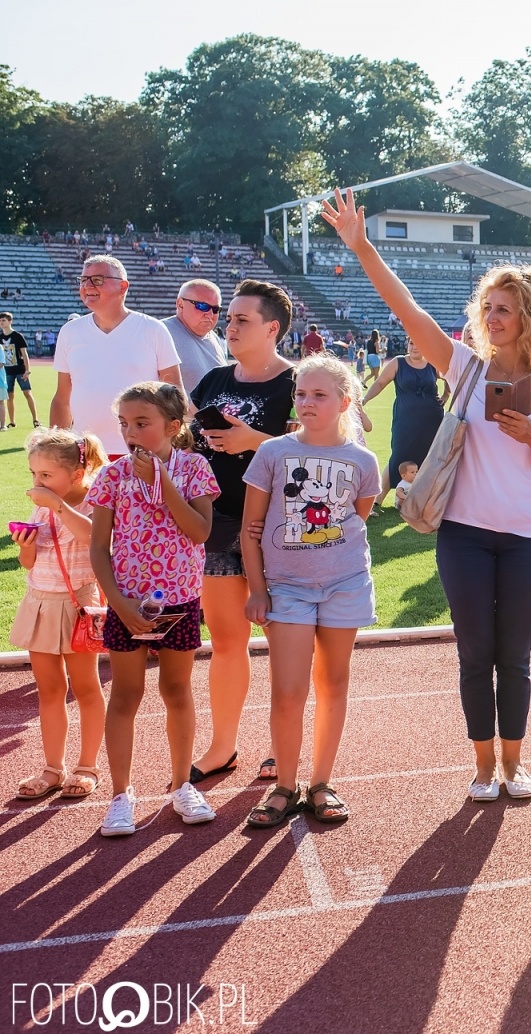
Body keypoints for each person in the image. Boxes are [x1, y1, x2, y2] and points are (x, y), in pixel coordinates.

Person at [323, 187, 531, 801]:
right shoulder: (463, 368)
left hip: (527, 538)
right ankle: (483, 767)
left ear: (529, 318)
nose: (493, 318)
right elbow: (409, 312)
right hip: (463, 533)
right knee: (474, 653)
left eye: (506, 310)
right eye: (488, 307)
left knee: (514, 657)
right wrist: (361, 248)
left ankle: (515, 765)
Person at [240, 355, 380, 827]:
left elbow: (355, 518)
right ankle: (284, 786)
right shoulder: (273, 453)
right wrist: (258, 589)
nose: (307, 402)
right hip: (287, 588)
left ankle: (321, 783)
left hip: (345, 584)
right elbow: (249, 530)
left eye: (319, 395)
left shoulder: (363, 460)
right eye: (301, 394)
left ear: (344, 402)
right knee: (288, 690)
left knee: (334, 683)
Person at [88, 382, 220, 836]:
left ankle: (182, 785)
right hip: (126, 604)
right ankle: (121, 796)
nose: (131, 432)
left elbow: (199, 532)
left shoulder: (195, 468)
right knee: (125, 696)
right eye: (125, 423)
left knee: (177, 691)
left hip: (179, 603)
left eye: (142, 423)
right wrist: (117, 602)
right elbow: (98, 550)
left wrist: (162, 483)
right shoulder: (111, 475)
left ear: (173, 426)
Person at [187, 279, 298, 785]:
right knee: (227, 642)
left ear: (272, 328)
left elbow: (315, 454)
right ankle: (222, 747)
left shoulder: (297, 383)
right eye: (228, 319)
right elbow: (190, 445)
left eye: (241, 320)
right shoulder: (211, 379)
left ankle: (281, 748)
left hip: (276, 526)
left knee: (283, 642)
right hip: (216, 523)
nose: (228, 327)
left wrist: (253, 441)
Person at [10, 429, 109, 801]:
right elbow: (28, 564)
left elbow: (93, 538)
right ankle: (53, 768)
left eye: (46, 475)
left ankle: (88, 766)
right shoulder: (41, 506)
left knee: (85, 687)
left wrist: (56, 505)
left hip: (77, 604)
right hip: (40, 601)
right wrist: (26, 547)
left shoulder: (92, 503)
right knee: (50, 689)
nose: (38, 483)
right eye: (34, 475)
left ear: (77, 473)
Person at [51, 255, 182, 460]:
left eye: (97, 279)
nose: (88, 285)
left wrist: (172, 446)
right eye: (84, 280)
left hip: (143, 453)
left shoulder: (153, 329)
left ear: (122, 287)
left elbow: (175, 394)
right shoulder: (70, 332)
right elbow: (62, 400)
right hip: (86, 454)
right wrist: (55, 447)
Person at [363, 339, 446, 507]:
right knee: (398, 455)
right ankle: (377, 499)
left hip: (432, 418)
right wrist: (364, 400)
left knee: (428, 456)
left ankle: (420, 500)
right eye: (411, 344)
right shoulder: (398, 363)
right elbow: (380, 383)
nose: (414, 347)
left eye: (418, 343)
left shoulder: (432, 363)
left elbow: (450, 378)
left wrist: (445, 396)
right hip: (405, 417)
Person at [162, 279, 228, 395]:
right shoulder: (161, 332)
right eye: (202, 306)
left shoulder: (214, 338)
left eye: (215, 309)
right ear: (180, 304)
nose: (210, 315)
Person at [0, 311, 39, 429]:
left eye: (4, 320)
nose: (1, 323)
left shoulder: (17, 336)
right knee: (10, 396)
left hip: (20, 370)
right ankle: (12, 421)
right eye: (0, 320)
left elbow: (24, 354)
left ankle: (35, 419)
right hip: (7, 372)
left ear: (10, 321)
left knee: (27, 393)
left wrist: (28, 370)